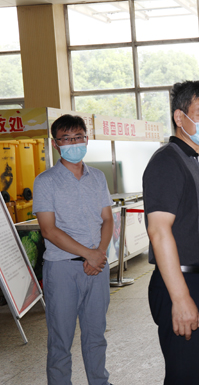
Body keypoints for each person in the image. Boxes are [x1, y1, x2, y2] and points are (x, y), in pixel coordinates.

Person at [143, 80, 199, 385]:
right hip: (182, 284)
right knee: (187, 377)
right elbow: (159, 232)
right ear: (180, 117)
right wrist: (180, 299)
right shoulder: (168, 161)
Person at [33, 114, 114, 385]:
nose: (73, 143)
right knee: (60, 340)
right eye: (66, 138)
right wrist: (89, 253)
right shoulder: (46, 181)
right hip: (62, 269)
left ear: (86, 139)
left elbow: (107, 219)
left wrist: (99, 253)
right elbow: (48, 230)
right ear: (56, 144)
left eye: (78, 137)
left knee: (96, 336)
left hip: (97, 268)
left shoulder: (98, 177)